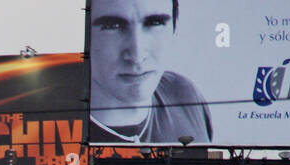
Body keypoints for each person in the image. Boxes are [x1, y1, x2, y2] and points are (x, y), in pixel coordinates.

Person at [88, 0, 213, 145]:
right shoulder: (60, 123)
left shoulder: (185, 95)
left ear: (174, 28)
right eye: (112, 26)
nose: (137, 56)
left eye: (155, 23)